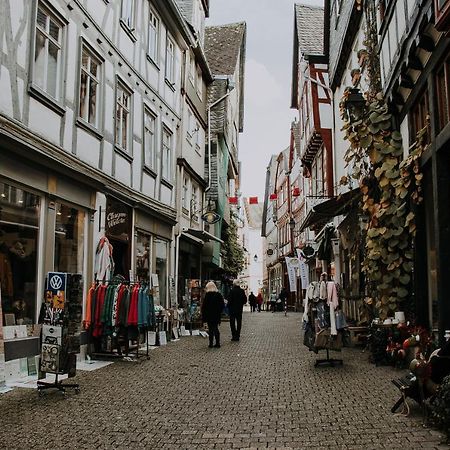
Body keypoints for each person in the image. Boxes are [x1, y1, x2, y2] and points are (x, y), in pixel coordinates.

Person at [201, 281, 225, 348]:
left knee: (210, 329)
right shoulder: (218, 295)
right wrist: (219, 311)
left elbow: (204, 307)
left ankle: (211, 343)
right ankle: (217, 343)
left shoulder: (207, 295)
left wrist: (204, 316)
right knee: (216, 328)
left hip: (209, 315)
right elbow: (222, 305)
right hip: (216, 315)